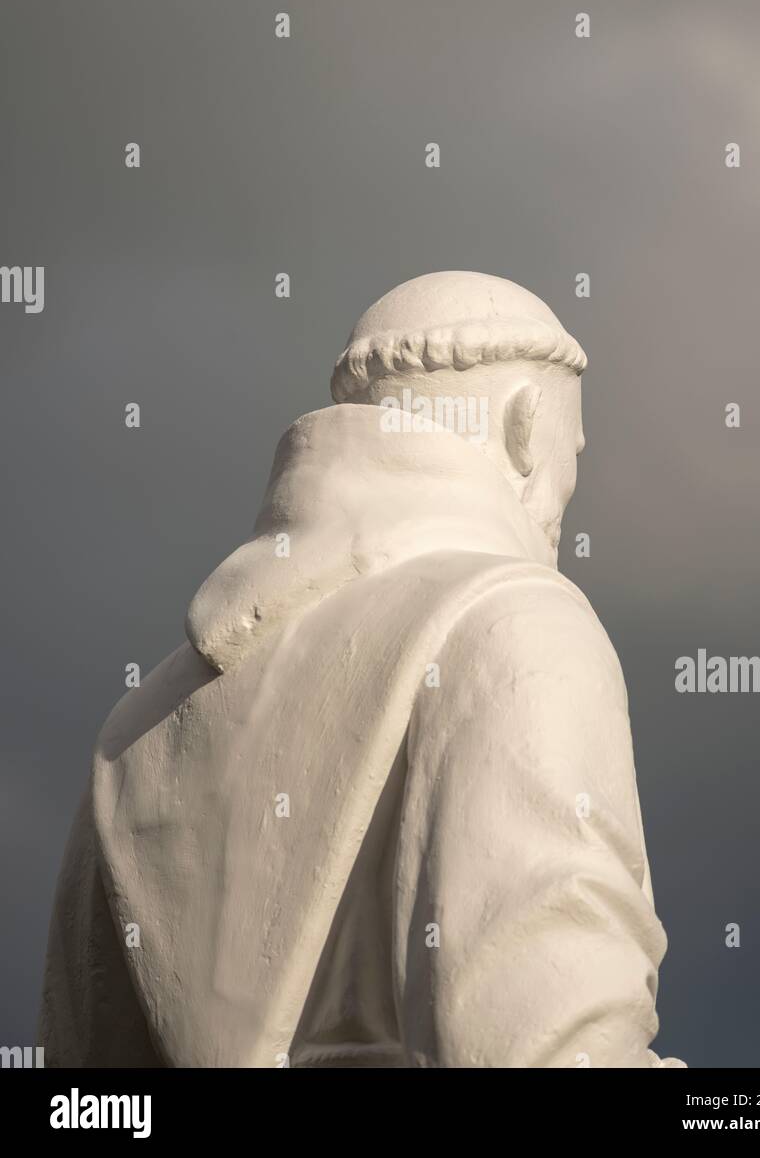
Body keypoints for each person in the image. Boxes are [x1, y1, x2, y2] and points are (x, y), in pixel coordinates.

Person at [39, 270, 683, 1068]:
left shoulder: (135, 728)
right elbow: (548, 1045)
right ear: (526, 427)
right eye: (572, 453)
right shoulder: (514, 622)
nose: (565, 499)